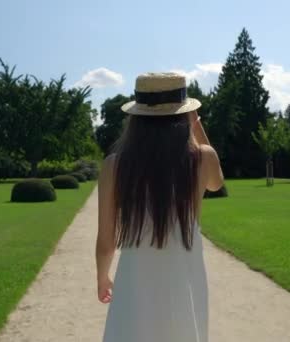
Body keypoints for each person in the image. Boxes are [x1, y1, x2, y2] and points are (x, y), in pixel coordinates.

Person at [96, 72, 224, 342]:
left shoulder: (114, 166)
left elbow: (106, 241)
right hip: (185, 277)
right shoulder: (202, 159)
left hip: (134, 280)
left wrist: (102, 277)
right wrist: (195, 122)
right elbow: (217, 183)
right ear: (184, 113)